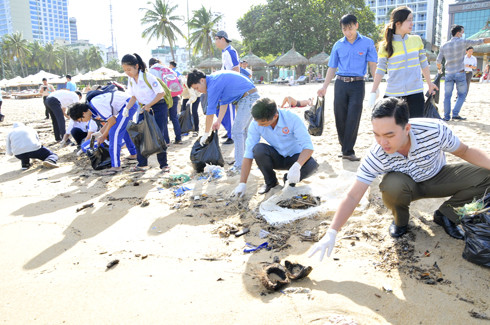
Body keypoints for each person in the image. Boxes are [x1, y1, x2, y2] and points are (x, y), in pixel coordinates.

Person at [308, 97, 490, 261]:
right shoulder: (377, 154)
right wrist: (332, 231)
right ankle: (400, 222)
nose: (382, 143)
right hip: (406, 187)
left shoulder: (434, 130)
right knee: (391, 186)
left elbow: (465, 151)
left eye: (389, 135)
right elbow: (353, 196)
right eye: (376, 135)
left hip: (438, 176)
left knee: (486, 176)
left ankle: (446, 216)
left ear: (407, 128)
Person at [317, 14, 378, 161]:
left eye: (350, 28)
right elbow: (332, 67)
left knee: (353, 116)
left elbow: (373, 66)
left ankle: (348, 151)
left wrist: (375, 88)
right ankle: (344, 147)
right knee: (340, 116)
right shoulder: (338, 45)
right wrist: (324, 86)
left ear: (356, 25)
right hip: (340, 84)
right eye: (344, 29)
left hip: (358, 84)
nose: (348, 32)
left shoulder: (367, 43)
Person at [231, 98, 319, 196]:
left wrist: (297, 165)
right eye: (257, 121)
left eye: (263, 123)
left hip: (295, 158)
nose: (259, 125)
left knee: (312, 165)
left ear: (275, 116)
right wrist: (242, 183)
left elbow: (308, 147)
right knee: (258, 149)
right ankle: (271, 183)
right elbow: (248, 154)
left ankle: (288, 181)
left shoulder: (292, 119)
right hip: (277, 158)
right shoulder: (256, 124)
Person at [369, 6, 437, 118]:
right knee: (394, 130)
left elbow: (424, 64)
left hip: (416, 92)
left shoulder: (416, 40)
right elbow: (380, 69)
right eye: (409, 20)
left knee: (415, 129)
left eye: (412, 19)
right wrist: (373, 91)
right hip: (393, 93)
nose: (412, 23)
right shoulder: (385, 45)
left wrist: (430, 83)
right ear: (398, 23)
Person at [187, 69, 259, 172]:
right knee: (244, 133)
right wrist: (219, 121)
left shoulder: (212, 85)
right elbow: (224, 102)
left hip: (248, 98)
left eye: (197, 88)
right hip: (249, 97)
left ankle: (239, 166)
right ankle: (245, 162)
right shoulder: (214, 80)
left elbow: (210, 113)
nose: (198, 91)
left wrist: (206, 134)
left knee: (237, 132)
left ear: (202, 80)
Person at [121, 53, 170, 173]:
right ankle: (142, 164)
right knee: (140, 136)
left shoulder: (148, 77)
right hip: (144, 108)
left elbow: (161, 93)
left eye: (129, 69)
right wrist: (127, 108)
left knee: (158, 135)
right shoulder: (131, 80)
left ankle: (164, 165)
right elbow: (133, 97)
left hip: (158, 107)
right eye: (125, 70)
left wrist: (149, 105)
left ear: (136, 66)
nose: (127, 72)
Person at [68, 90, 138, 173]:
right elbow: (111, 121)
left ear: (83, 113)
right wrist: (101, 133)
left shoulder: (96, 106)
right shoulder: (92, 112)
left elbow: (112, 121)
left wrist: (103, 136)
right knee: (121, 130)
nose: (83, 122)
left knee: (114, 133)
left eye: (80, 120)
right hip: (126, 105)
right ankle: (133, 154)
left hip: (128, 104)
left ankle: (116, 166)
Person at [437, 25, 490, 121]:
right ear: (458, 33)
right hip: (460, 73)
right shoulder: (462, 42)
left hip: (448, 73)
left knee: (447, 96)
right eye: (462, 32)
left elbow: (438, 61)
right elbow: (479, 41)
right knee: (462, 94)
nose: (463, 34)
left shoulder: (444, 45)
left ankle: (446, 116)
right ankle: (455, 113)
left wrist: (439, 70)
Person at [149, 58, 182, 144]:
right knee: (174, 117)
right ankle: (178, 138)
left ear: (150, 64)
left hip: (163, 97)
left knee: (164, 119)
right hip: (174, 95)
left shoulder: (151, 70)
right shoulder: (167, 69)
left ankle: (166, 141)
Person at [215, 30, 239, 145]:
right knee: (219, 109)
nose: (215, 42)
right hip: (224, 84)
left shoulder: (231, 51)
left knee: (229, 111)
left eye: (216, 39)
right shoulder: (225, 52)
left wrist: (231, 85)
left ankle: (232, 134)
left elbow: (236, 68)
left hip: (230, 85)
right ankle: (229, 130)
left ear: (222, 39)